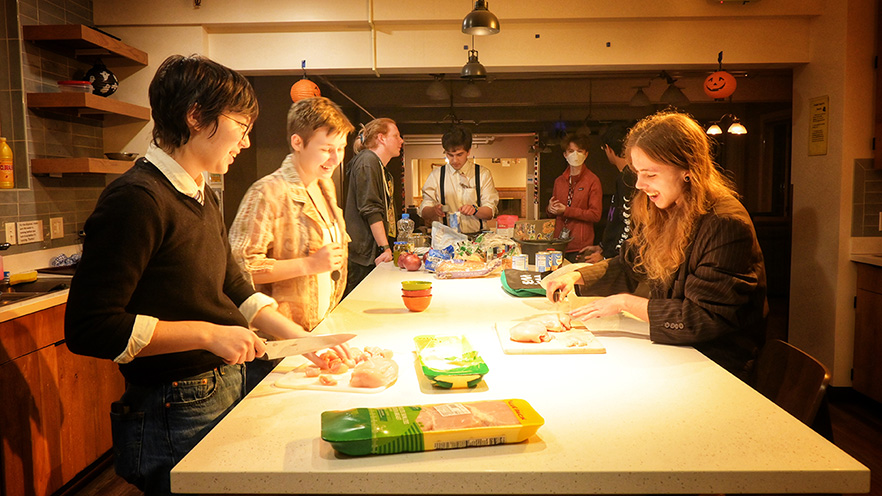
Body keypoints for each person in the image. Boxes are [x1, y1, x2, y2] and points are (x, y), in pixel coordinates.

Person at [63, 55, 347, 496]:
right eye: (241, 125)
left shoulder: (200, 192)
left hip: (216, 387)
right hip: (173, 403)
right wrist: (207, 334)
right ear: (196, 117)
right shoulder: (137, 199)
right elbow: (89, 328)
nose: (247, 143)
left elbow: (234, 284)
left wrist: (303, 344)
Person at [546, 111, 767, 381]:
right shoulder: (667, 210)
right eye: (637, 173)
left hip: (717, 366)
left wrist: (625, 303)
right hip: (680, 352)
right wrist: (576, 276)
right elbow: (630, 263)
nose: (640, 184)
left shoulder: (725, 224)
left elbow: (701, 317)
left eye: (649, 174)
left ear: (688, 170)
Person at [229, 97, 354, 390]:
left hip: (317, 332)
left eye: (341, 149)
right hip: (278, 347)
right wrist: (309, 264)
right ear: (298, 142)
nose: (335, 158)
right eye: (326, 149)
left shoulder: (325, 186)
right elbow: (239, 271)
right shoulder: (267, 192)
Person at [343, 117, 403, 295]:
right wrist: (384, 247)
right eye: (396, 135)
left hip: (372, 253)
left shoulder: (377, 165)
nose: (401, 141)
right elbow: (370, 208)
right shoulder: (367, 160)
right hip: (365, 256)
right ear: (381, 138)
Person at [419, 126, 499, 235]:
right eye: (450, 155)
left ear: (468, 151)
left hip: (477, 237)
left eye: (459, 155)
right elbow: (424, 212)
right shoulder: (436, 175)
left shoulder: (483, 174)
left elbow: (489, 213)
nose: (455, 160)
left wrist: (475, 210)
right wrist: (434, 210)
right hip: (445, 239)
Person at [580, 123, 637, 263]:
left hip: (622, 259)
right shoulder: (625, 176)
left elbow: (628, 223)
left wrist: (608, 256)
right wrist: (602, 247)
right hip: (616, 254)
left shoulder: (628, 177)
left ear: (608, 149)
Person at [547, 133, 603, 262]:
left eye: (579, 151)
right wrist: (550, 209)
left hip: (581, 246)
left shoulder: (592, 180)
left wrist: (566, 210)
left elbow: (595, 215)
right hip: (559, 244)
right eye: (571, 151)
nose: (575, 155)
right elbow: (552, 213)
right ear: (565, 154)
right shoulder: (559, 181)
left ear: (586, 154)